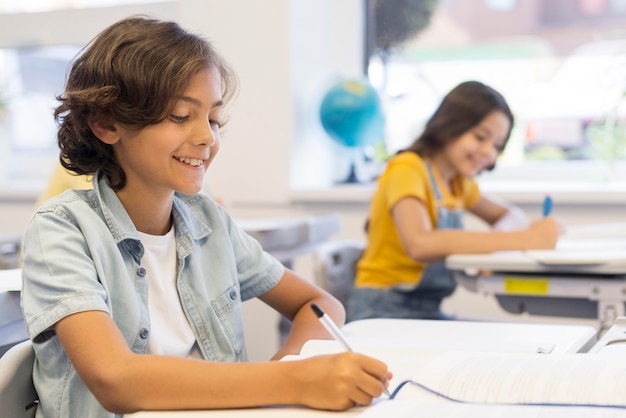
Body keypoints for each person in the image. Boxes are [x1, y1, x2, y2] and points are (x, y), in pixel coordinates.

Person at [20, 16, 390, 417]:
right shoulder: (60, 230)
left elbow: (319, 304)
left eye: (213, 119)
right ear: (106, 123)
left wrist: (290, 370)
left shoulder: (209, 223)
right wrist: (295, 382)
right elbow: (116, 380)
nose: (207, 138)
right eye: (181, 115)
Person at [346, 80, 561, 322]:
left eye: (497, 146)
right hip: (381, 311)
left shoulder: (458, 183)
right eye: (481, 137)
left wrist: (496, 249)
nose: (489, 152)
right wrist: (524, 240)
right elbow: (419, 243)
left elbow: (510, 215)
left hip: (425, 312)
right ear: (450, 125)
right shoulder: (406, 168)